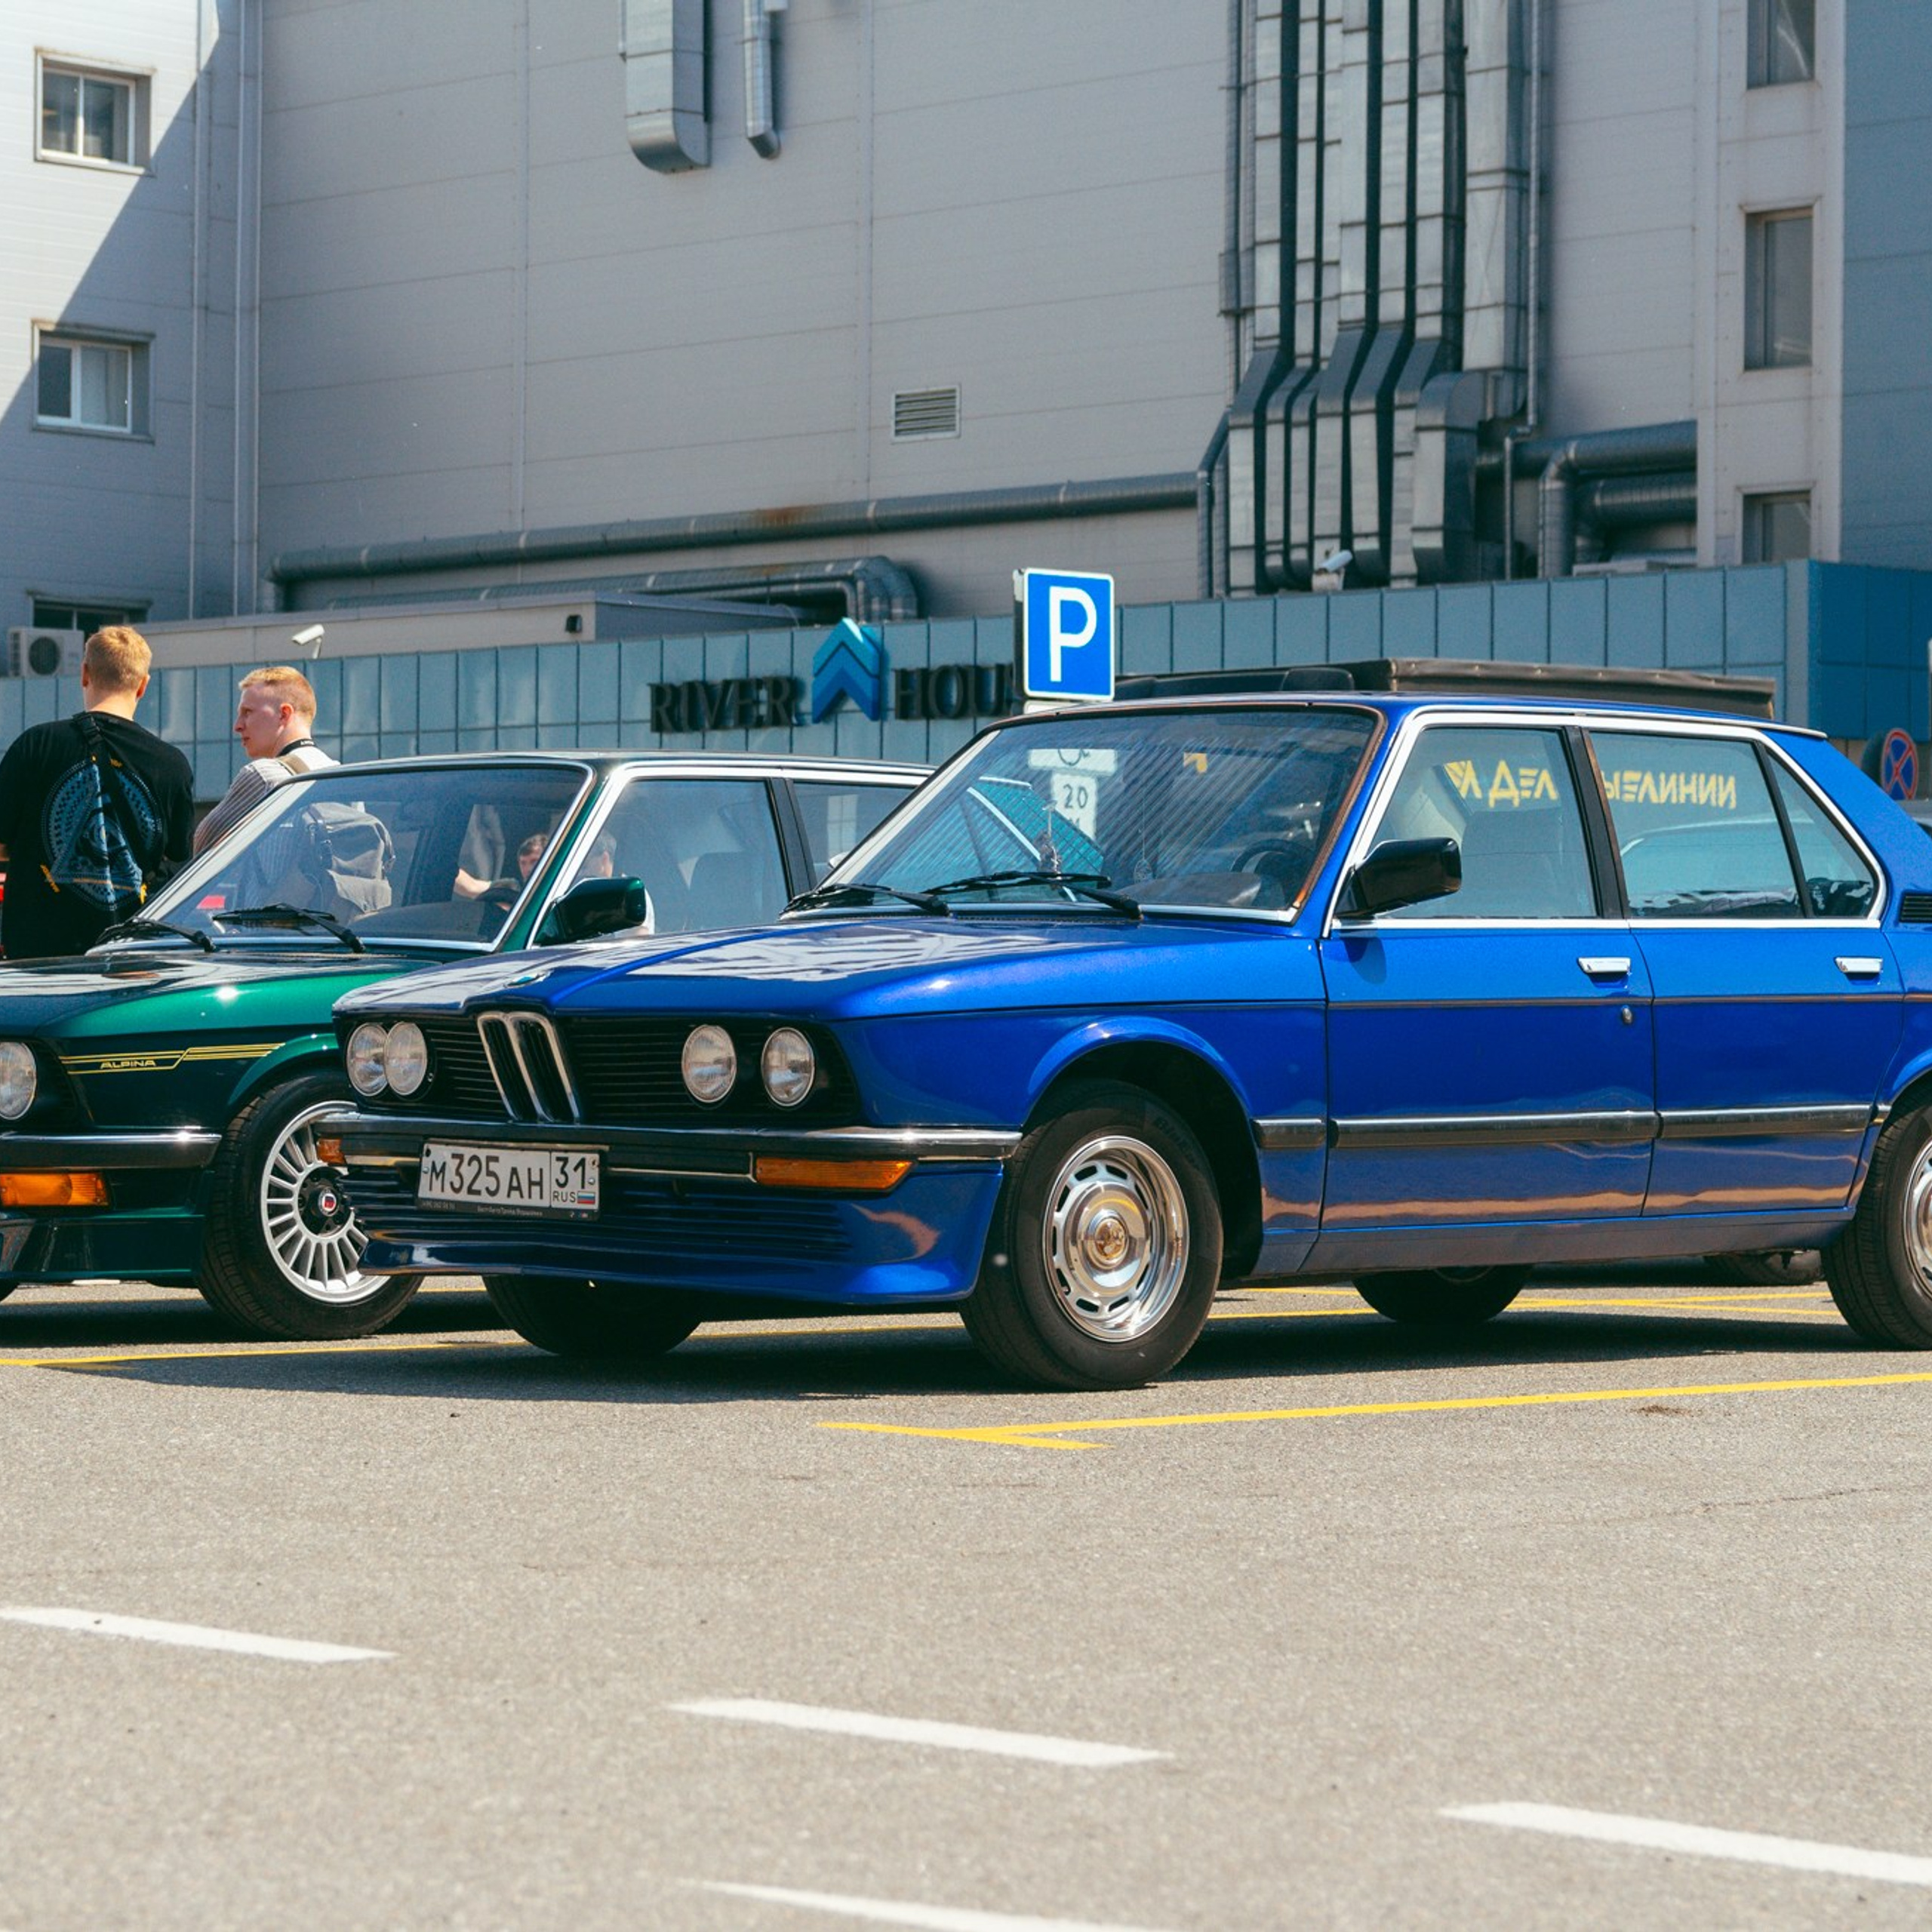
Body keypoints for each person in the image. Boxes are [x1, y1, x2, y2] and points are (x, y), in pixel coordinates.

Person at [0, 626, 195, 961]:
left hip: (38, 956)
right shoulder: (172, 764)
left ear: (85, 674)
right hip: (130, 955)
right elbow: (178, 860)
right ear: (143, 685)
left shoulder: (36, 745)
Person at [190, 665, 335, 855]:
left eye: (248, 712)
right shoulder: (342, 777)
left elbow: (203, 846)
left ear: (284, 714)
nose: (238, 726)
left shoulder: (263, 776)